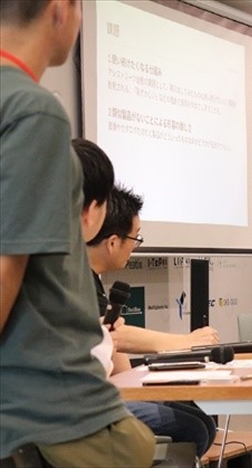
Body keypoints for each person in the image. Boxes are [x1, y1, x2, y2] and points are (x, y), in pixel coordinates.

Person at [0, 1, 155, 466]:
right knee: (136, 446)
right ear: (60, 9)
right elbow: (6, 267)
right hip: (50, 407)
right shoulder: (33, 109)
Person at [83, 183, 217, 457]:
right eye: (136, 238)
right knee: (195, 429)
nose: (136, 246)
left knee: (202, 422)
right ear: (113, 242)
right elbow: (118, 337)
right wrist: (185, 342)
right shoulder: (78, 281)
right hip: (83, 405)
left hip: (102, 393)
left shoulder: (91, 279)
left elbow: (119, 363)